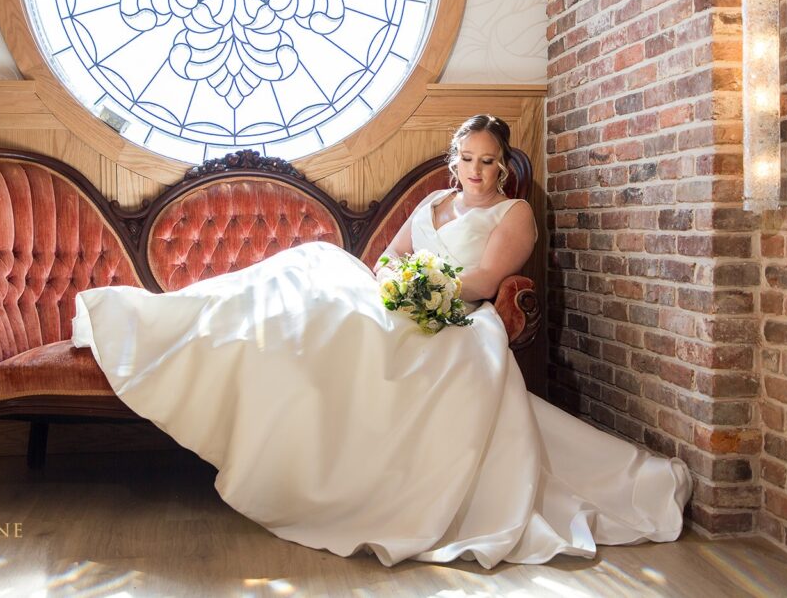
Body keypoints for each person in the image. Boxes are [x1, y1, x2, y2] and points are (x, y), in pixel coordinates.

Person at [71, 114, 693, 568]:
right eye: (467, 159)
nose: (476, 171)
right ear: (454, 160)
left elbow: (484, 278)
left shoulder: (514, 214)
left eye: (488, 160)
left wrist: (428, 291)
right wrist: (401, 282)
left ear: (504, 164)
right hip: (400, 299)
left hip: (454, 317)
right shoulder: (432, 201)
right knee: (308, 274)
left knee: (334, 319)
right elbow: (389, 258)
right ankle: (160, 321)